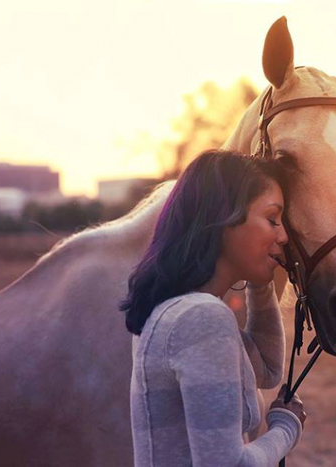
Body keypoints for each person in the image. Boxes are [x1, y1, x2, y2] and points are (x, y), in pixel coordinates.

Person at [121, 149, 305, 466]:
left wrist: (260, 277)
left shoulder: (174, 311)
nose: (284, 235)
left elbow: (267, 368)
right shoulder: (200, 318)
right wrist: (286, 428)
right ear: (225, 218)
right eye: (272, 219)